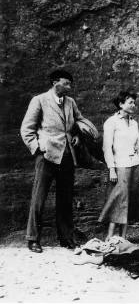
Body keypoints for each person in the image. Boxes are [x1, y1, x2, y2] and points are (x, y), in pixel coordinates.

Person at [20, 69, 86, 253]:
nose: (69, 87)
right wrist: (37, 147)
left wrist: (76, 136)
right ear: (54, 82)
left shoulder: (70, 102)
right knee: (39, 198)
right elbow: (27, 129)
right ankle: (33, 239)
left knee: (65, 199)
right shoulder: (39, 100)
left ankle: (66, 238)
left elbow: (79, 122)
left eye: (70, 84)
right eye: (66, 83)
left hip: (66, 155)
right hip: (47, 156)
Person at [99, 91, 139, 241]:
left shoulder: (134, 123)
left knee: (129, 201)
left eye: (134, 102)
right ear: (121, 104)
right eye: (130, 102)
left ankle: (123, 238)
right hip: (120, 166)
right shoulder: (111, 122)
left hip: (135, 166)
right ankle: (110, 236)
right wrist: (111, 169)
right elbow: (107, 148)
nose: (133, 105)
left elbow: (138, 146)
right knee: (119, 200)